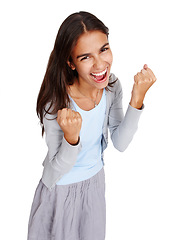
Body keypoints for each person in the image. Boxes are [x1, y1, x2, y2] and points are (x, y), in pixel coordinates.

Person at [27, 11, 156, 240]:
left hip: (95, 186)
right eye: (85, 57)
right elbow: (58, 168)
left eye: (103, 49)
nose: (100, 65)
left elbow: (120, 143)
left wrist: (137, 99)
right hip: (60, 193)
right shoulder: (56, 103)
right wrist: (71, 138)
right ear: (71, 62)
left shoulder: (112, 87)